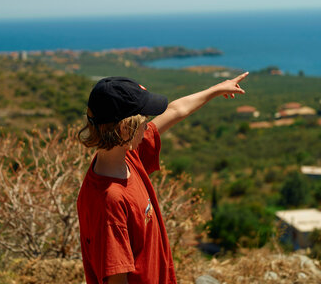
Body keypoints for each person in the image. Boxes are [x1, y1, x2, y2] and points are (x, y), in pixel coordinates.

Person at [77, 72, 249, 284]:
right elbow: (116, 279)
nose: (148, 126)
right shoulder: (110, 201)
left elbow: (176, 110)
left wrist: (217, 89)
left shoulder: (126, 155)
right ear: (124, 129)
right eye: (143, 121)